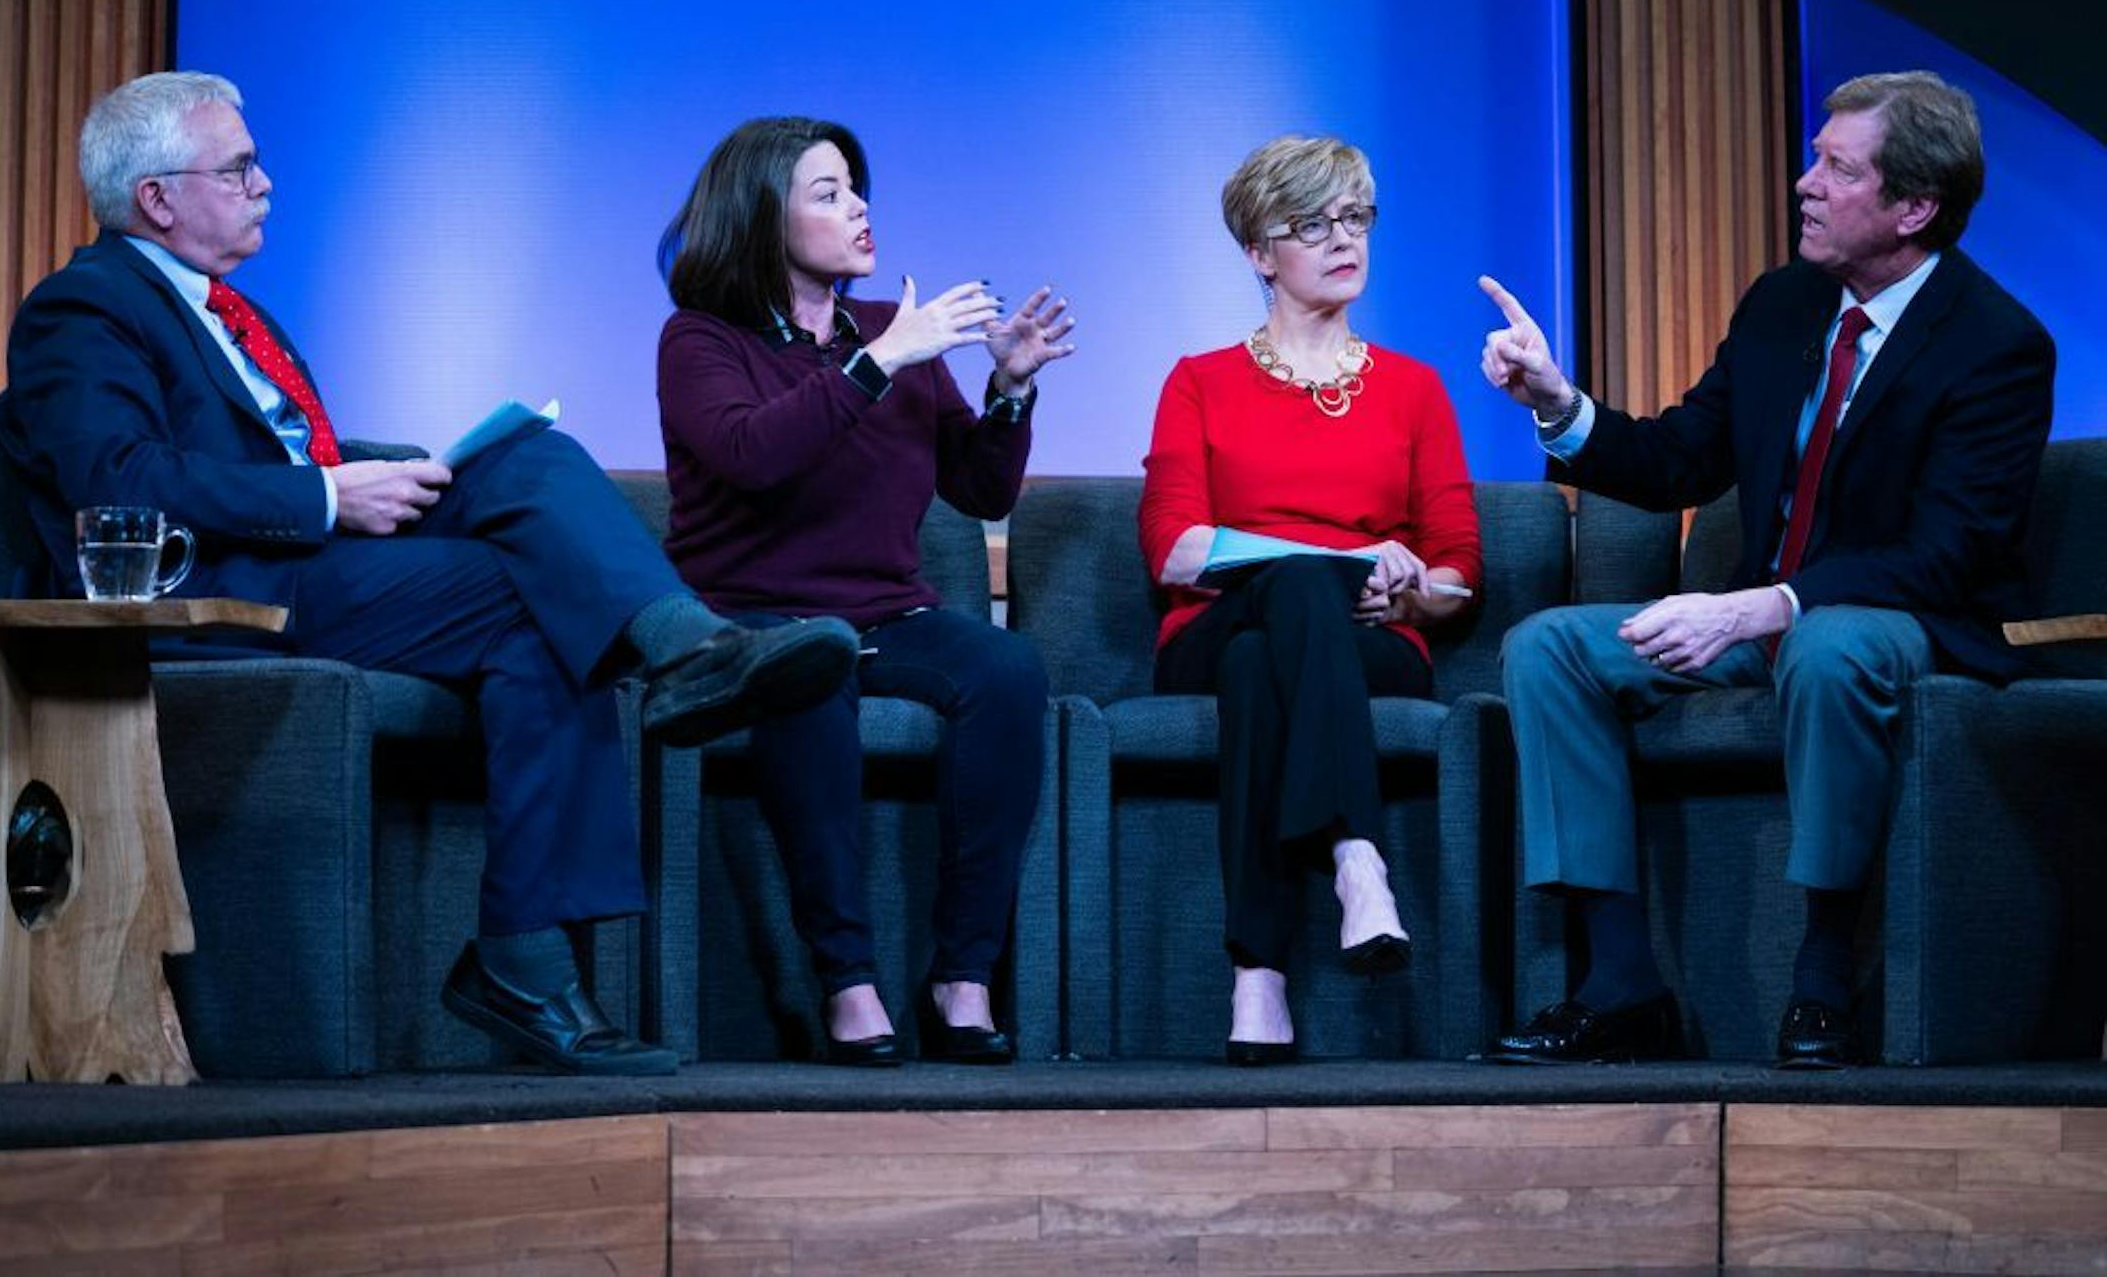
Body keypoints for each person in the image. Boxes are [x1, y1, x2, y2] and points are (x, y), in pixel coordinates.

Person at [0, 71, 863, 1077]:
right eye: (238, 168)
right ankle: (531, 950)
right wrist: (329, 498)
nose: (266, 184)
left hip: (307, 559)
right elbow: (118, 476)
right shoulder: (84, 307)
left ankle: (682, 650)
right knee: (534, 598)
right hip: (216, 592)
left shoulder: (236, 315)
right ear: (156, 198)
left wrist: (384, 484)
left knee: (526, 458)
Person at [1477, 70, 2055, 1068]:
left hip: (1905, 627)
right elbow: (1679, 458)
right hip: (1760, 621)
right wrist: (1558, 399)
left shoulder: (1999, 346)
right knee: (1550, 649)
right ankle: (1620, 984)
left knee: (1828, 646)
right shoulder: (1785, 302)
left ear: (1915, 206)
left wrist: (1762, 606)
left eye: (1836, 167)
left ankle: (1824, 975)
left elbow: (1943, 555)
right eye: (1814, 159)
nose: (1804, 183)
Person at [655, 117, 1074, 1065]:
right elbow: (754, 456)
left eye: (857, 188)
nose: (860, 208)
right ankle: (847, 980)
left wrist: (1008, 389)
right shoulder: (700, 341)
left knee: (1006, 668)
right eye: (829, 192)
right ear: (764, 217)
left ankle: (962, 977)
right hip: (753, 618)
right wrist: (881, 361)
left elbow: (981, 488)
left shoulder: (894, 329)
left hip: (892, 609)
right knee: (813, 668)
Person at [1139, 134, 1482, 1065]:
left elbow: (1458, 570)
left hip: (1369, 637)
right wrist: (1338, 558)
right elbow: (1176, 553)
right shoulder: (1200, 381)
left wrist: (1409, 590)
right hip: (1208, 628)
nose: (1345, 240)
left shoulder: (1412, 389)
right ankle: (1356, 856)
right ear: (1259, 252)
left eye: (1357, 219)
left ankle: (1259, 976)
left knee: (1264, 666)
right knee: (1286, 596)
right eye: (1313, 224)